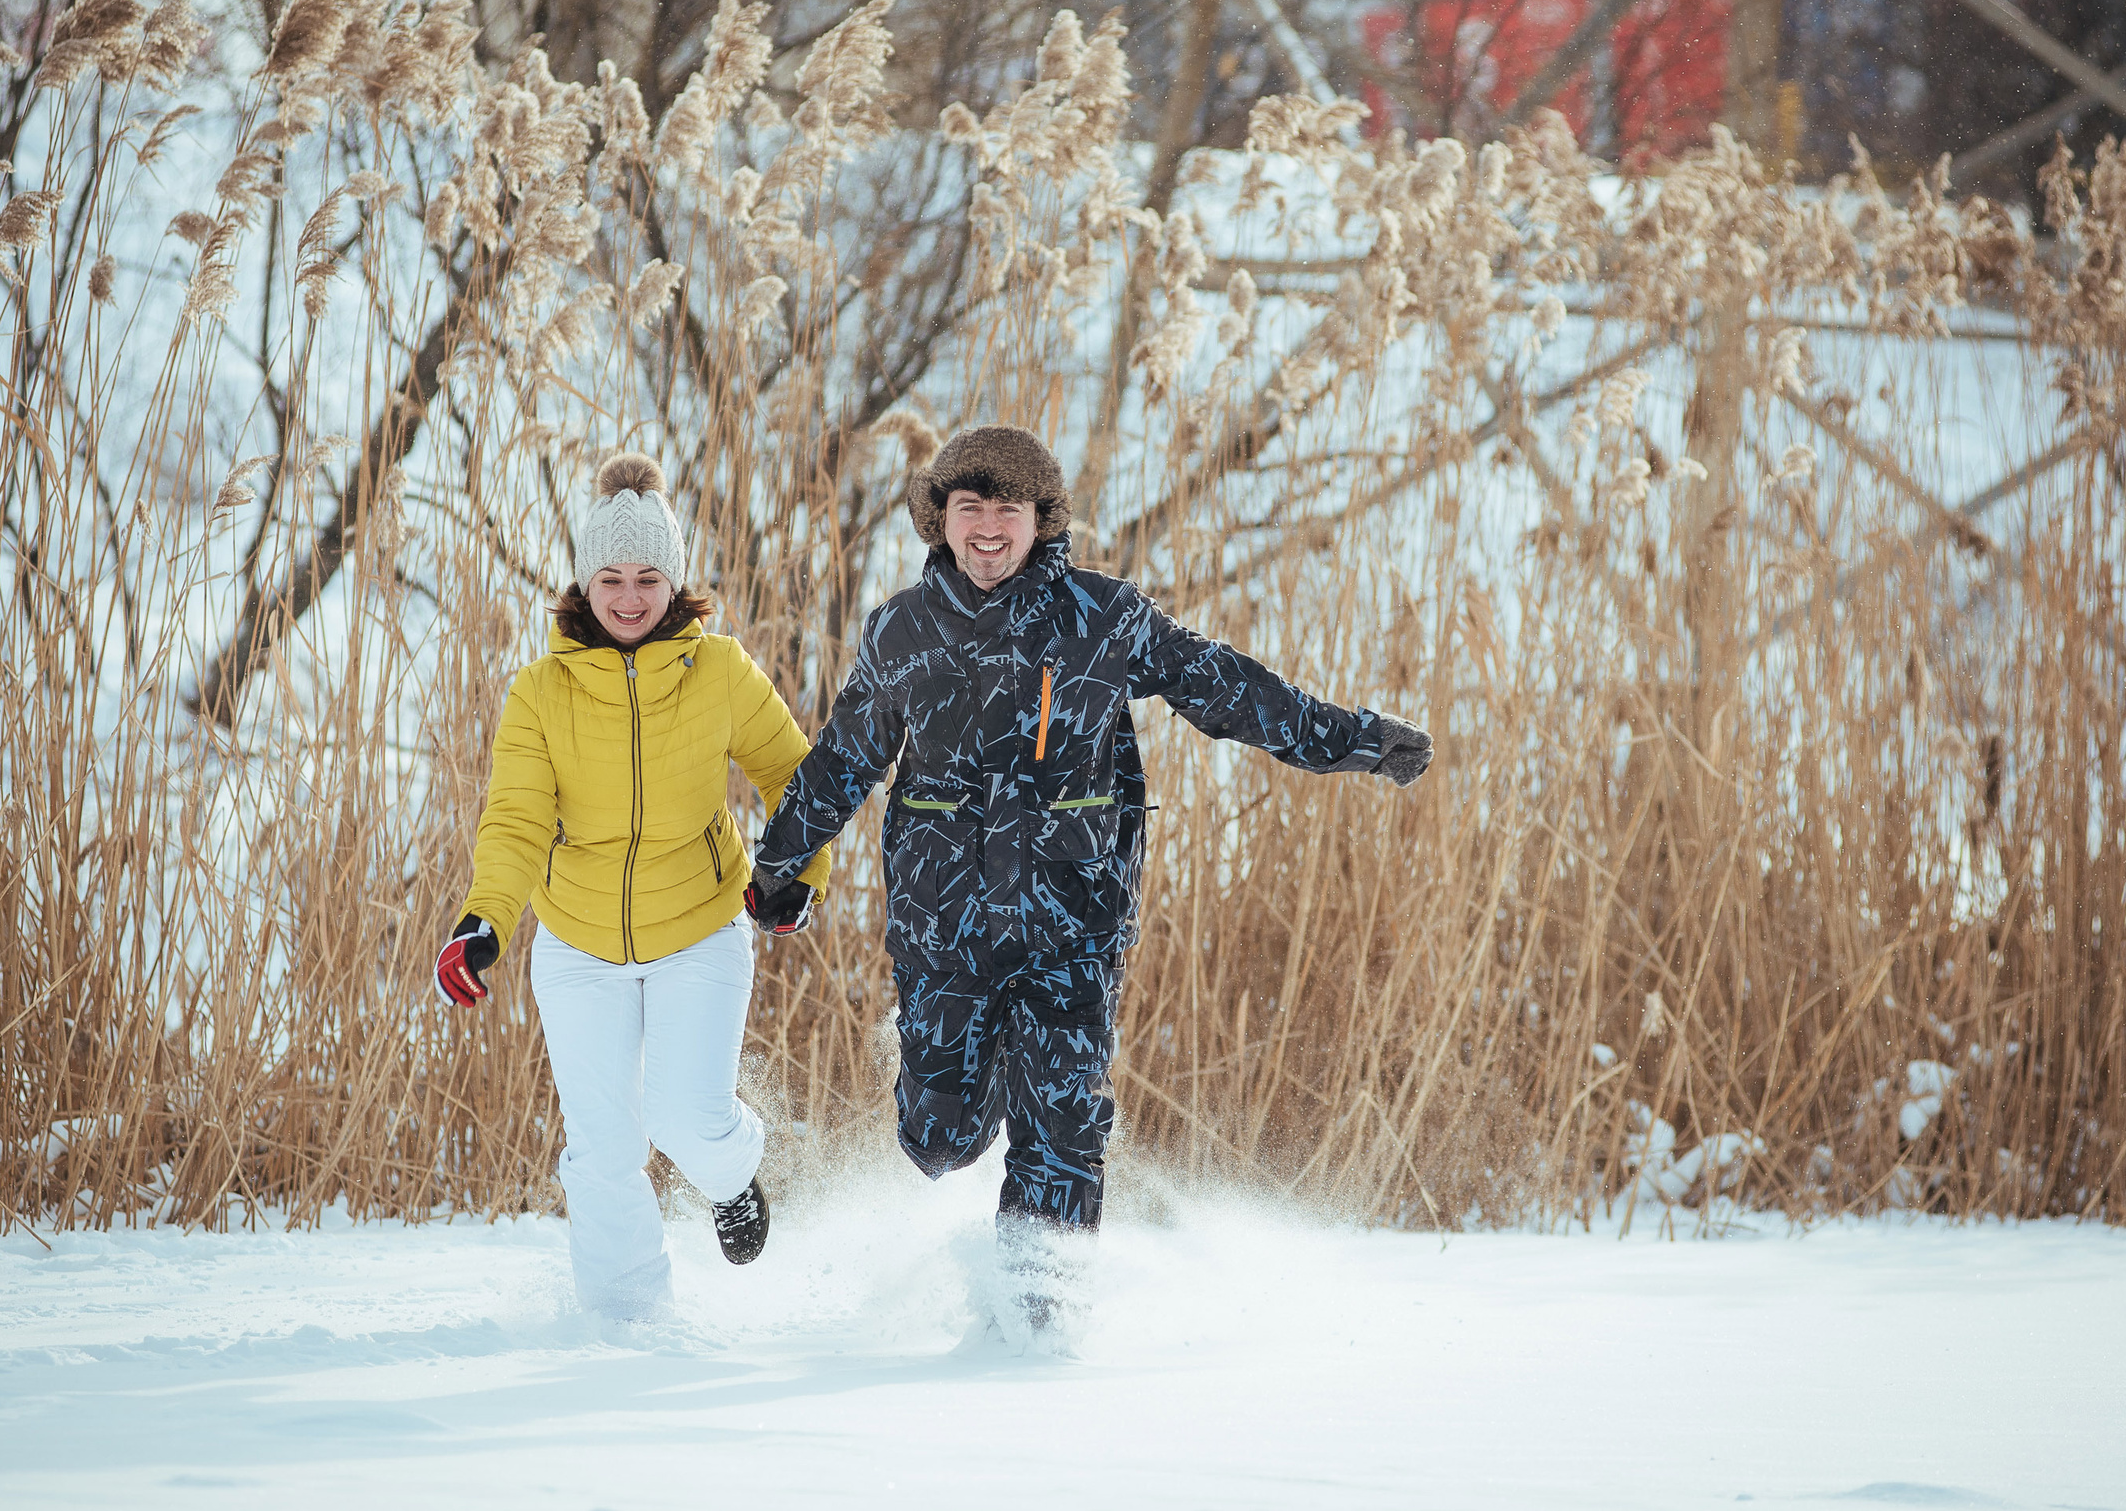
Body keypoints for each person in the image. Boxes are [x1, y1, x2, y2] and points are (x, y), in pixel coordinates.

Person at [742, 425, 1430, 1332]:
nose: (989, 530)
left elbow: (1223, 687)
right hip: (943, 926)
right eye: (970, 509)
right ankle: (975, 1086)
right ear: (940, 520)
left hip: (1074, 922)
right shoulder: (900, 632)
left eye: (1009, 512)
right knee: (937, 1138)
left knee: (1064, 1121)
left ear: (1042, 520)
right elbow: (842, 760)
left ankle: (1040, 1322)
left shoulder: (1103, 618)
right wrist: (780, 864)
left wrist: (1356, 741)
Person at [437, 451, 830, 1323]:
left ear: (675, 579)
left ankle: (731, 1176)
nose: (629, 595)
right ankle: (628, 1326)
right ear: (585, 581)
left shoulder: (719, 669)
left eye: (648, 575)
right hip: (578, 942)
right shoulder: (539, 692)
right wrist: (483, 921)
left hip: (698, 925)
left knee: (688, 1119)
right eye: (611, 576)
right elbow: (515, 821)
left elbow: (796, 774)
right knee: (605, 1147)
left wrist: (794, 871)